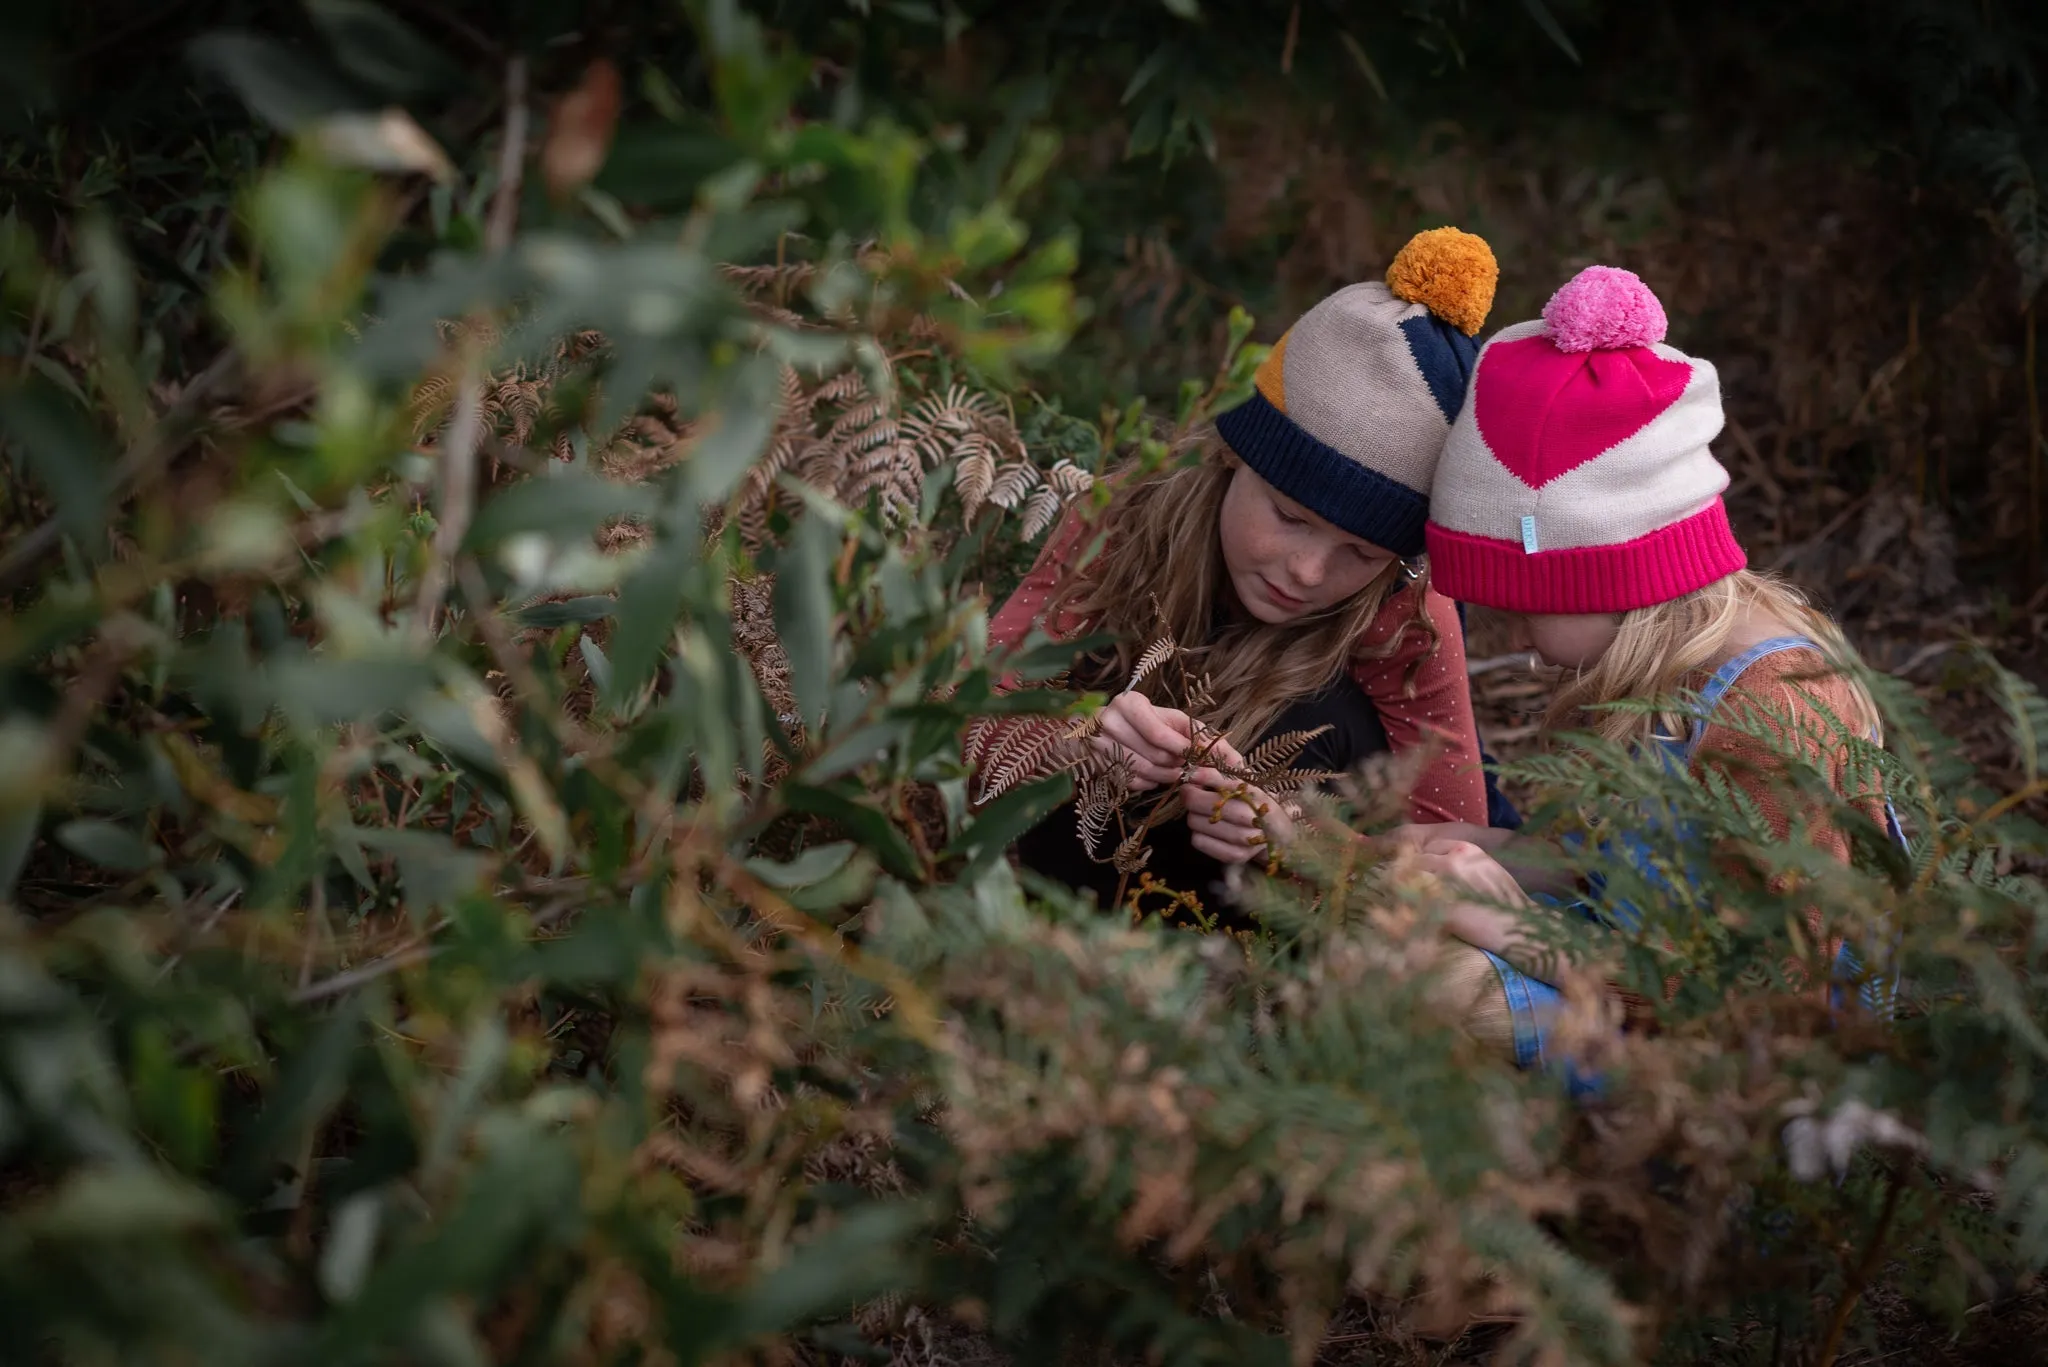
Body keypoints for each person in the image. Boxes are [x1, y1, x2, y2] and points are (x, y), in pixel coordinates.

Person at [1401, 264, 1898, 1066]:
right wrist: (1471, 846)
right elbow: (1622, 875)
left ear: (1600, 573)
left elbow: (1759, 997)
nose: (1514, 634)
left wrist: (1515, 931)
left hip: (1750, 1095)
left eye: (1522, 601)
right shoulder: (1661, 671)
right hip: (1637, 986)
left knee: (1427, 984)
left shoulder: (1771, 713)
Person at [968, 227, 1507, 918]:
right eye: (1288, 514)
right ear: (1232, 457)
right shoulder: (1128, 517)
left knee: (1323, 715)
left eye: (1361, 553)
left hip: (1286, 930)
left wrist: (1292, 833)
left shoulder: (1405, 607)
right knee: (1096, 663)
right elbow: (967, 705)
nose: (1309, 571)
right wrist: (1076, 740)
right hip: (1078, 882)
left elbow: (1450, 836)